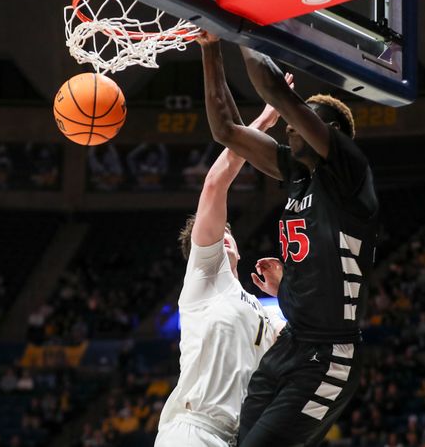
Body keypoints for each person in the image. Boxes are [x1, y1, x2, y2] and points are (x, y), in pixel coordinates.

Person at [197, 33, 379, 446]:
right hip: (290, 345)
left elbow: (275, 91)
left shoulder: (349, 173)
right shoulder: (298, 173)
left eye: (300, 124)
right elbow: (226, 130)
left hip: (328, 356)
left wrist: (237, 27)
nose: (290, 133)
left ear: (328, 132)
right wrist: (210, 46)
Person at [155, 104, 286, 447]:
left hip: (235, 438)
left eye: (229, 231)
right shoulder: (206, 277)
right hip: (192, 430)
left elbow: (303, 337)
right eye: (217, 232)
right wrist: (259, 126)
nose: (224, 233)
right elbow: (215, 184)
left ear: (240, 248)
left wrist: (286, 293)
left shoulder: (263, 313)